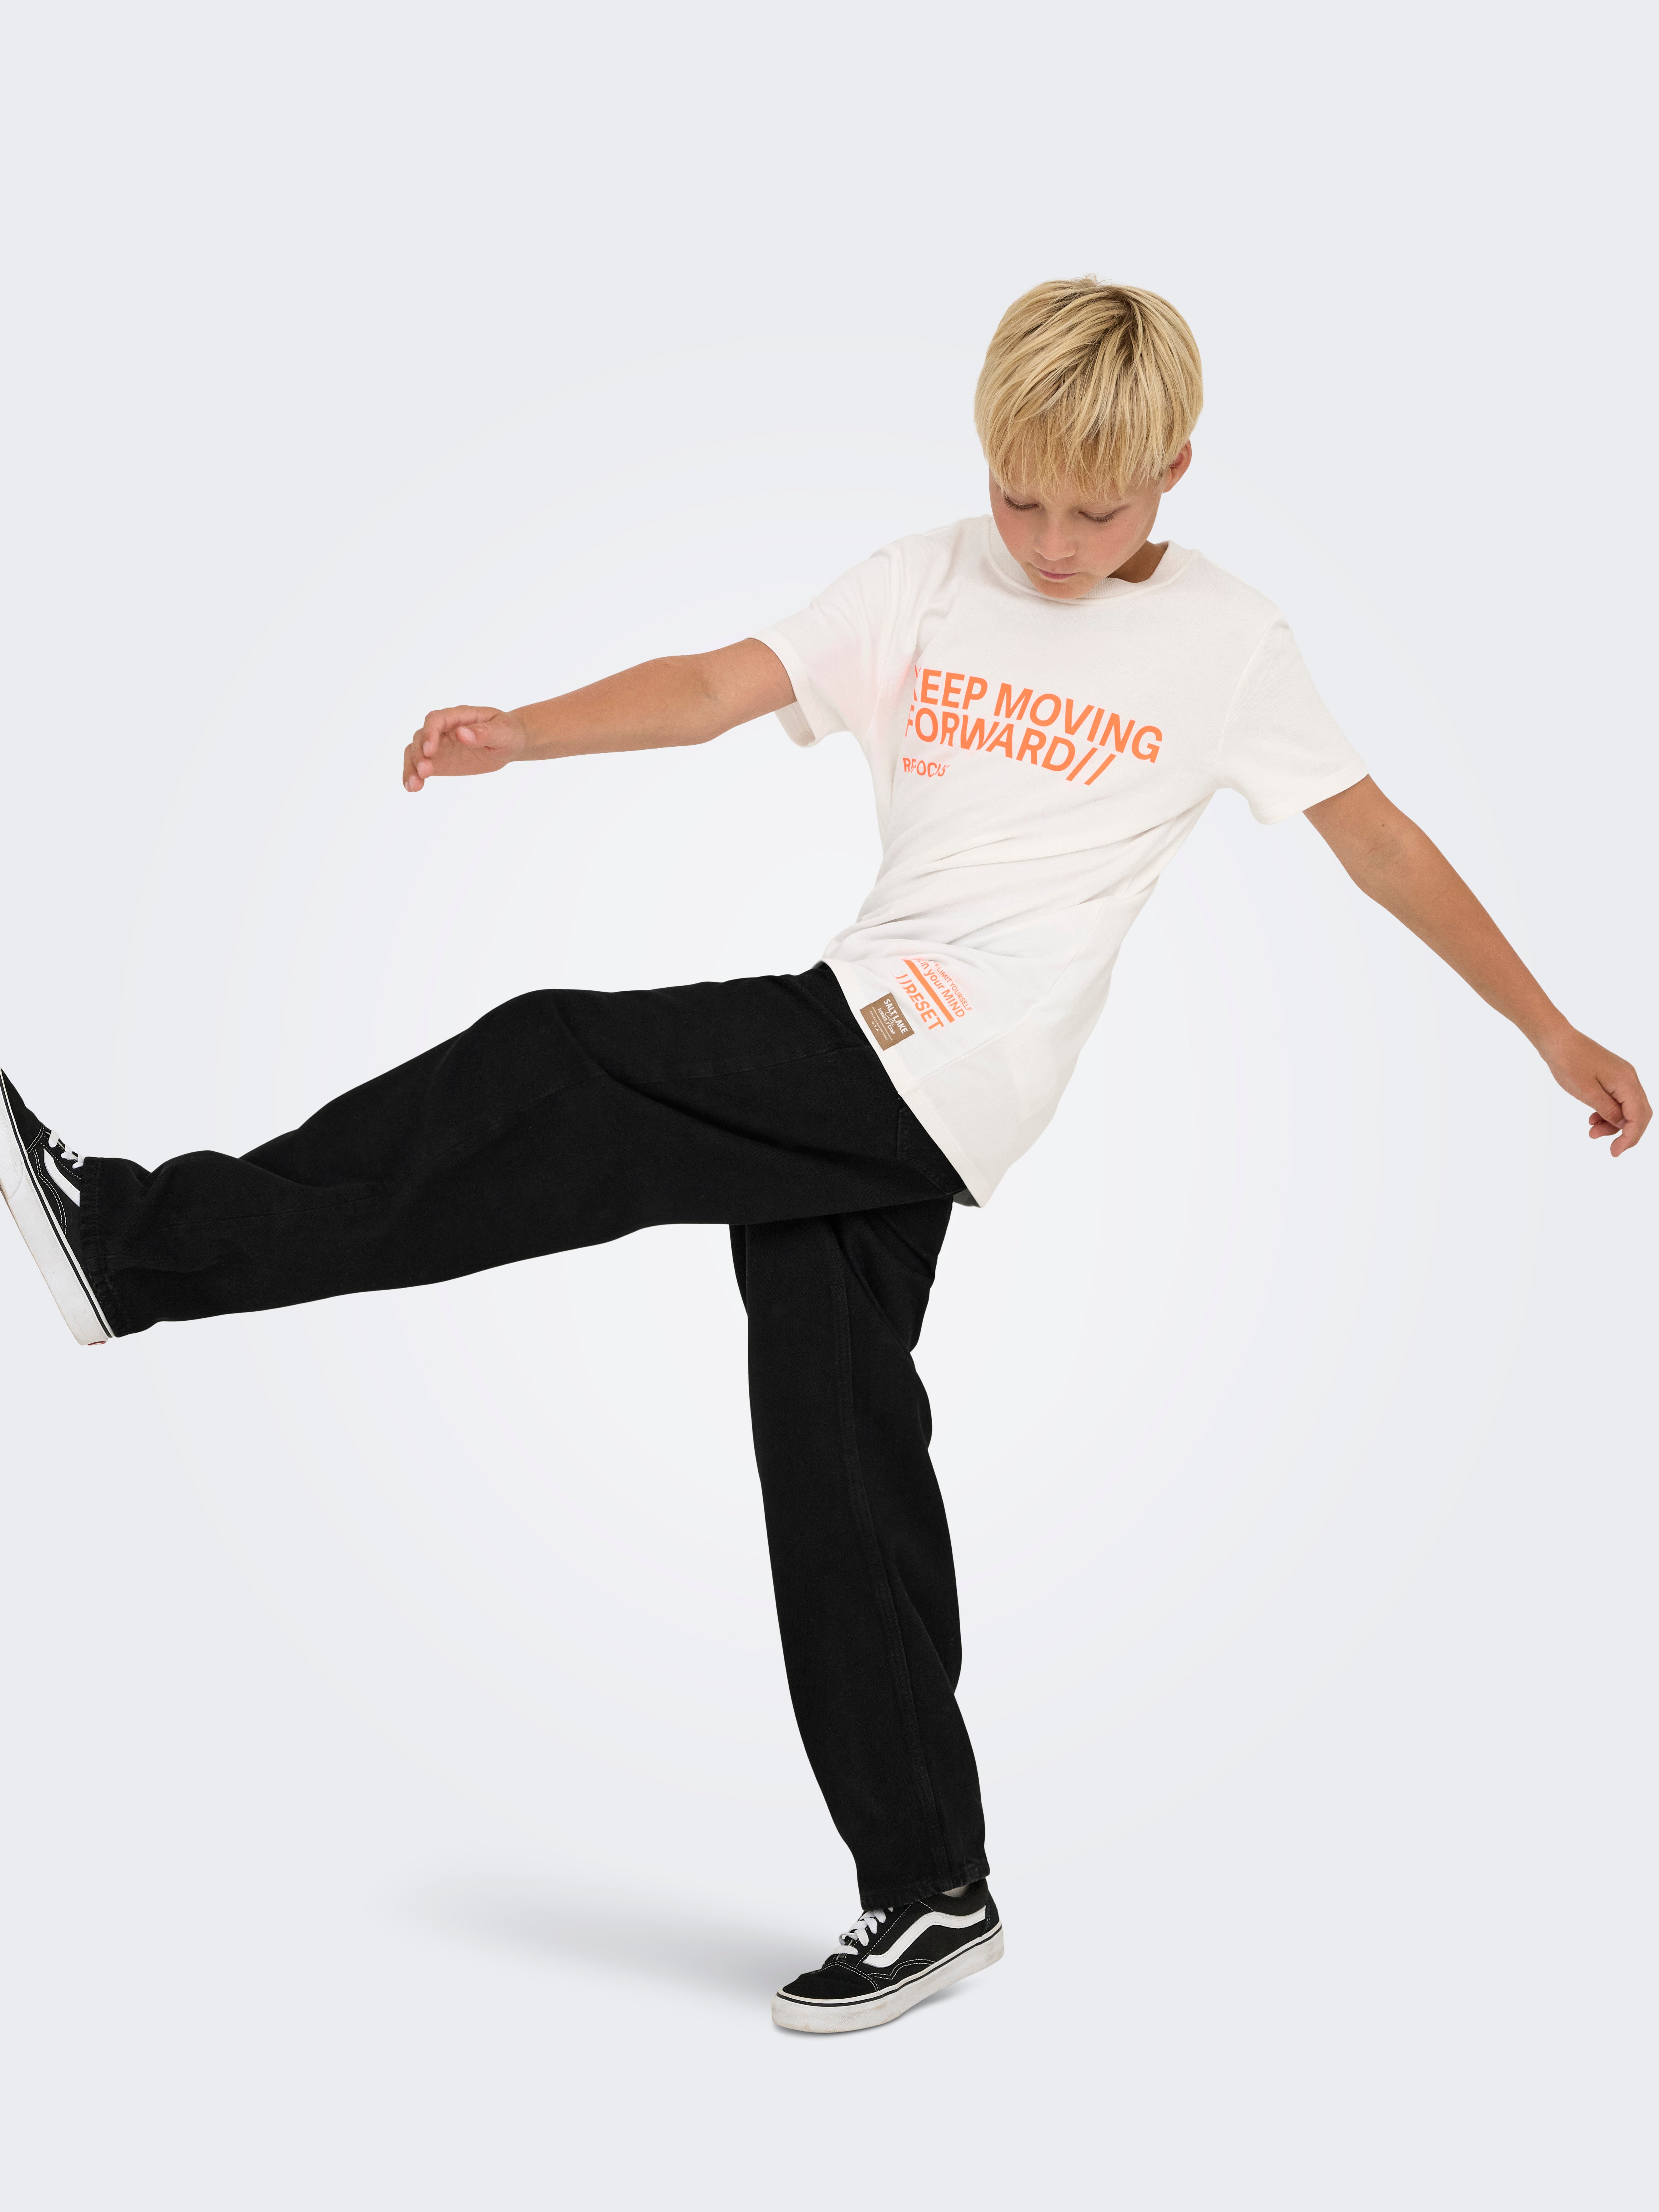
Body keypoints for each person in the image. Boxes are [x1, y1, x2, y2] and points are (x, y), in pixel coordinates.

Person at [2, 280, 1647, 2035]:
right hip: (872, 1031)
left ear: (1175, 470)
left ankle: (143, 1244)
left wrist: (1547, 1031)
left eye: (1097, 511)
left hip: (948, 1050)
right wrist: (523, 729)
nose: (1053, 543)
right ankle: (931, 1883)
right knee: (835, 1453)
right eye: (1022, 497)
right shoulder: (926, 579)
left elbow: (1376, 841)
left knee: (560, 1059)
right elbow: (721, 685)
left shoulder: (1228, 642)